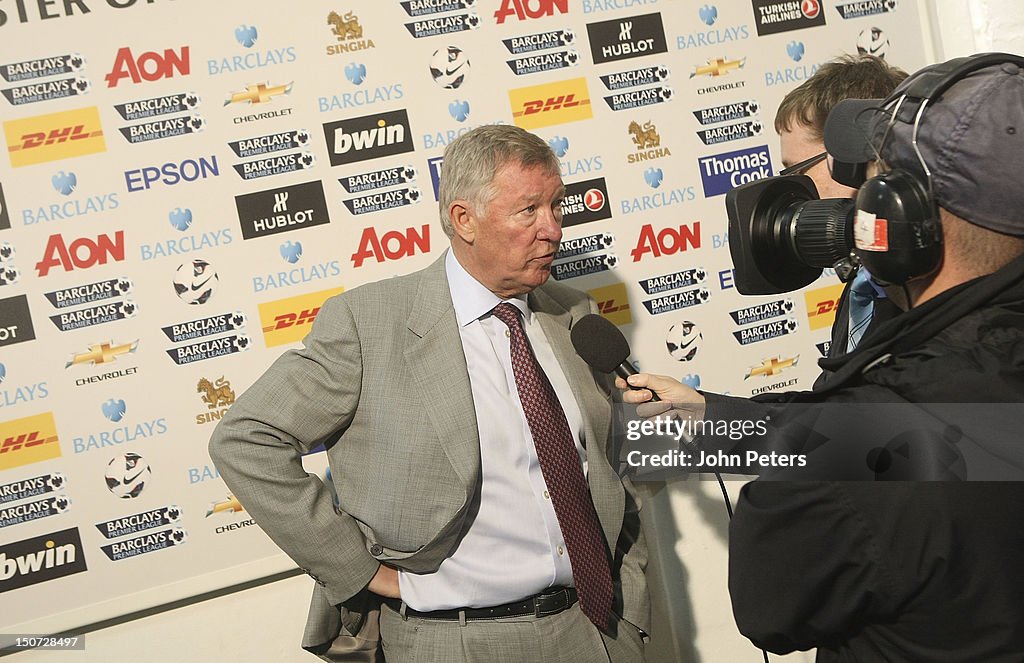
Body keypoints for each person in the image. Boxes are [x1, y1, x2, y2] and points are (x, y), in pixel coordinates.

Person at [618, 54, 1024, 661]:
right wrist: (715, 418)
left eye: (870, 175)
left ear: (900, 214)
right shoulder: (912, 333)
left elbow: (775, 603)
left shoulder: (894, 414)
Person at [209, 124, 649, 663]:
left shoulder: (572, 314)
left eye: (557, 206)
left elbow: (605, 467)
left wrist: (631, 608)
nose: (552, 229)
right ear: (464, 219)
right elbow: (246, 439)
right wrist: (361, 570)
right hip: (455, 640)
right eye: (528, 210)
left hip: (594, 629)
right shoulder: (369, 323)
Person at [774, 54, 908, 370]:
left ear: (854, 158)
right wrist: (707, 408)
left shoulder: (927, 286)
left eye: (799, 170)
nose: (795, 190)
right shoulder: (861, 281)